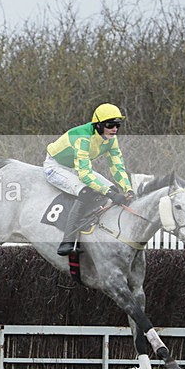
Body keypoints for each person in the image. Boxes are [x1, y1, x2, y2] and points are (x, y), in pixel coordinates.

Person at [43, 103, 135, 256]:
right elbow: (85, 174)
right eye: (110, 124)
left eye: (117, 125)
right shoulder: (83, 137)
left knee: (114, 190)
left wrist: (128, 189)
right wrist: (109, 195)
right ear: (98, 125)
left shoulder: (111, 138)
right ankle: (67, 240)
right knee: (86, 191)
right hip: (56, 167)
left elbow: (117, 167)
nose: (115, 129)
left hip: (76, 166)